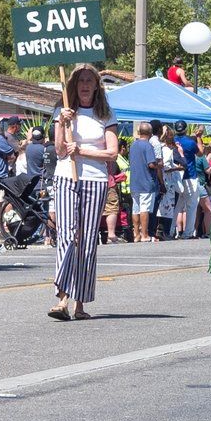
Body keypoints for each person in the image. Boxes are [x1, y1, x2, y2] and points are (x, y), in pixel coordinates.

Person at [49, 65, 116, 321]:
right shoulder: (64, 111)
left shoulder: (106, 114)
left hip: (95, 180)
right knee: (67, 236)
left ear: (97, 86)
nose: (85, 85)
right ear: (74, 86)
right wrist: (61, 124)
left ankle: (80, 303)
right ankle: (62, 298)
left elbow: (112, 153)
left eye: (90, 80)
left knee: (87, 242)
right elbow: (59, 151)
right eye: (81, 81)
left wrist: (83, 151)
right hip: (66, 176)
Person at [126, 121, 163, 242]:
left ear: (139, 132)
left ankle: (136, 234)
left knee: (135, 209)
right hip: (146, 182)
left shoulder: (133, 145)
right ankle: (144, 234)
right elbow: (151, 164)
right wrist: (160, 165)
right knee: (144, 209)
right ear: (151, 133)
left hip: (135, 182)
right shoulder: (148, 146)